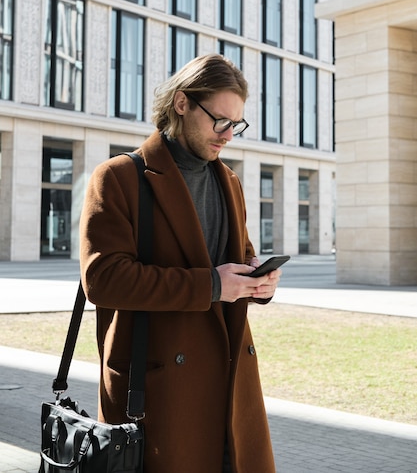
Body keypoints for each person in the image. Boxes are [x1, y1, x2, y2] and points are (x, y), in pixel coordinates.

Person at [79, 54, 281, 473]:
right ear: (183, 103)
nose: (228, 135)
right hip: (161, 393)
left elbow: (237, 257)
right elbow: (103, 279)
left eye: (236, 124)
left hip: (231, 386)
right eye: (219, 120)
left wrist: (258, 281)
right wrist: (211, 286)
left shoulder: (229, 181)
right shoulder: (119, 177)